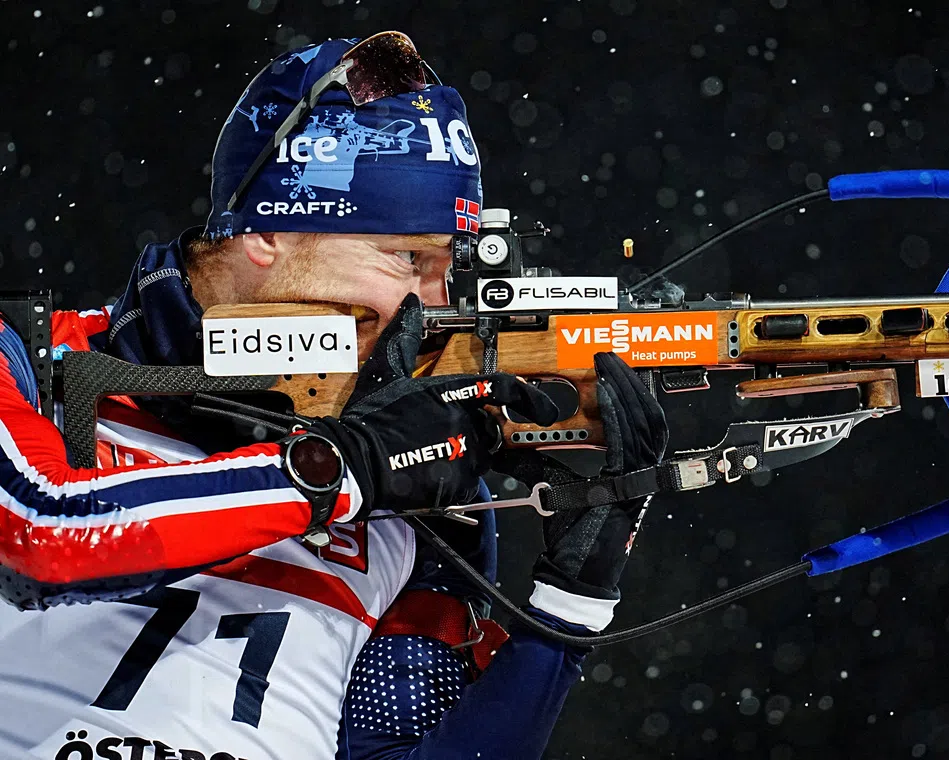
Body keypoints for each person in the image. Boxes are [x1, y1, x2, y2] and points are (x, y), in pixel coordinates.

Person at [0, 33, 668, 760]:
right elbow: (44, 532)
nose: (432, 308)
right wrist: (343, 467)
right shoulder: (27, 358)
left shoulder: (421, 480)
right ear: (269, 233)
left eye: (447, 271)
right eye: (408, 258)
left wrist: (567, 608)